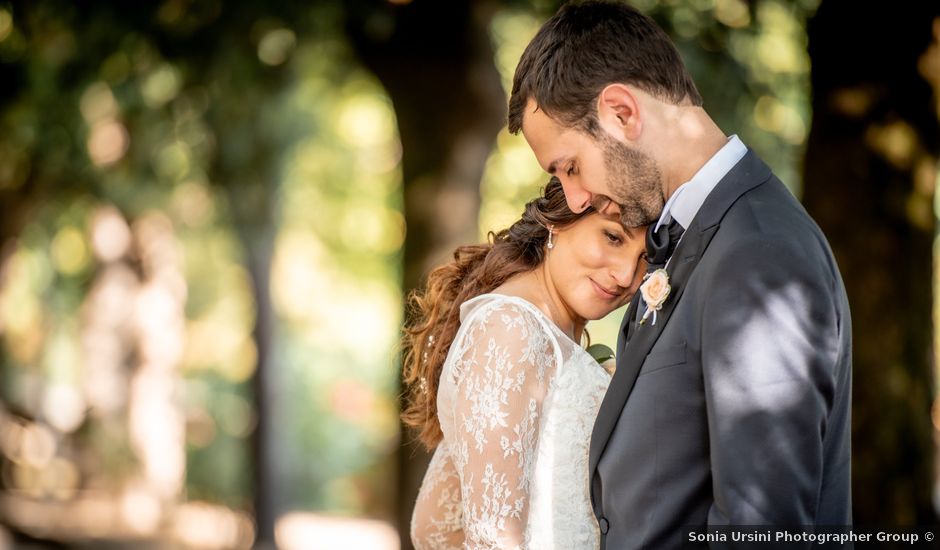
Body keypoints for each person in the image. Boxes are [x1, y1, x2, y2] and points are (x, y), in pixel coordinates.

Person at [508, 2, 853, 548]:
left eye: (570, 166)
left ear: (621, 111)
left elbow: (762, 528)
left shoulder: (758, 254)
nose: (572, 197)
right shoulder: (694, 242)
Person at [404, 177, 648, 549]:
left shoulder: (536, 329)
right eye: (613, 237)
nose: (626, 275)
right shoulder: (509, 328)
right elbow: (493, 537)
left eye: (646, 259)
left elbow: (434, 526)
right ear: (557, 221)